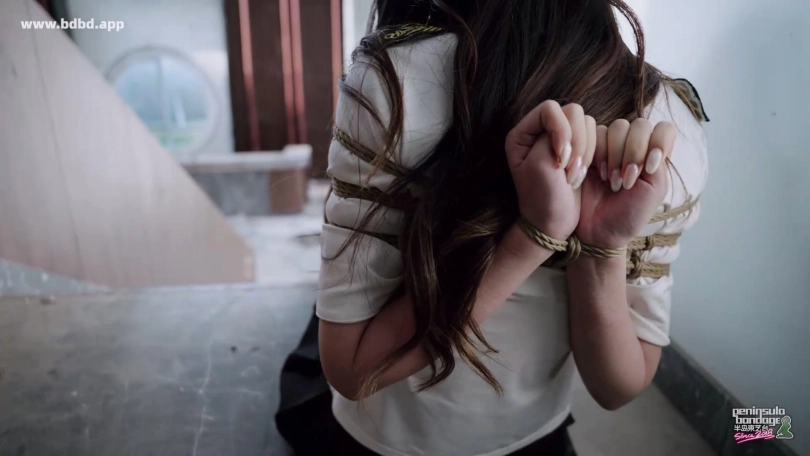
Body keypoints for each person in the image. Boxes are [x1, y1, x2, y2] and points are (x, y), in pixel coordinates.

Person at [311, 1, 709, 455]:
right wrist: (547, 238)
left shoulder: (396, 78)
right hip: (527, 435)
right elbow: (618, 386)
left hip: (387, 436)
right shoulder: (670, 121)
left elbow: (352, 367)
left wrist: (596, 242)